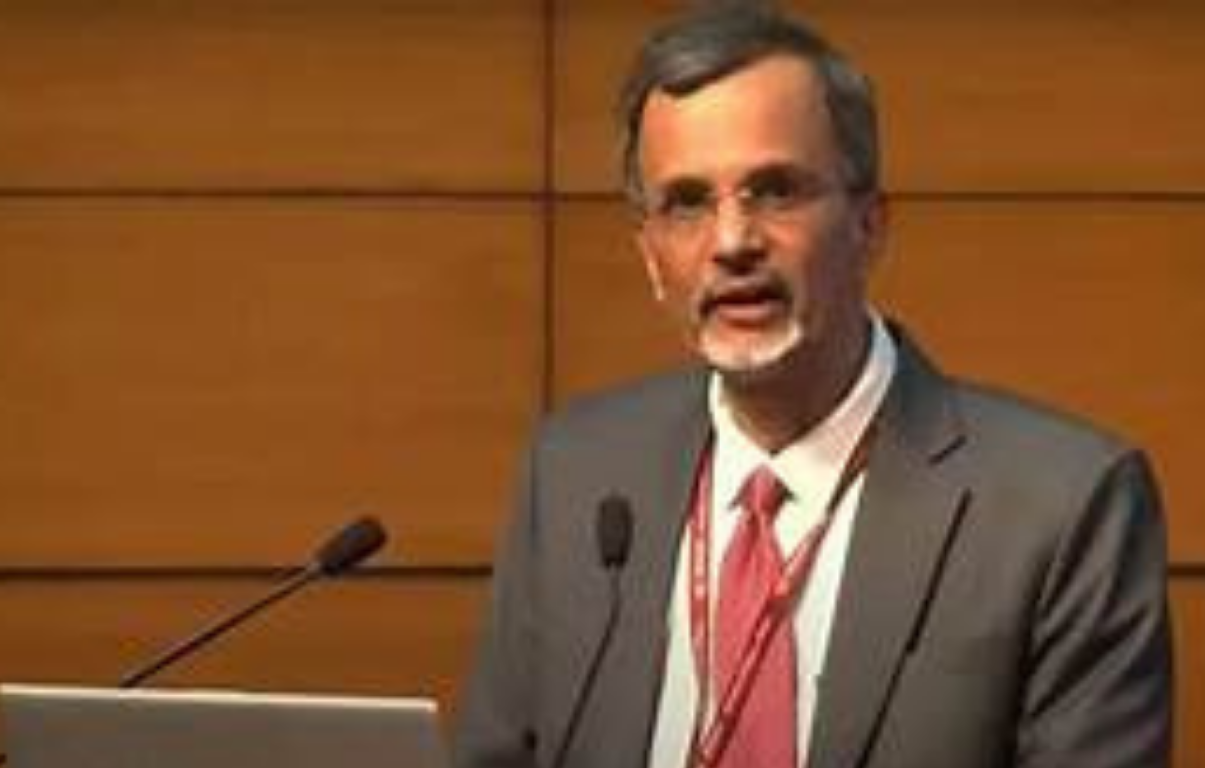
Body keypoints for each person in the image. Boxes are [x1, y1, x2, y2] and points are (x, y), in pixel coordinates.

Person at [452, 3, 1173, 768]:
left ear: (870, 225)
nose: (733, 242)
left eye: (775, 191)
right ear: (652, 257)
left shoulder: (1063, 507)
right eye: (688, 203)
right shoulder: (575, 473)